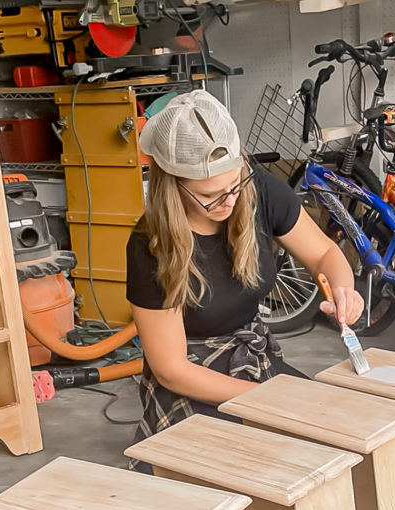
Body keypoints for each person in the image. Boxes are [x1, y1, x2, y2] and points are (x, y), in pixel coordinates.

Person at [125, 90, 363, 466]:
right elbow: (171, 370)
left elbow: (324, 254)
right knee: (241, 464)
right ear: (174, 184)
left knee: (330, 433)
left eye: (234, 185)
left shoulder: (257, 189)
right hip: (194, 374)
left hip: (251, 351)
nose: (229, 201)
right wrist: (264, 398)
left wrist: (344, 288)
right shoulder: (149, 245)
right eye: (210, 195)